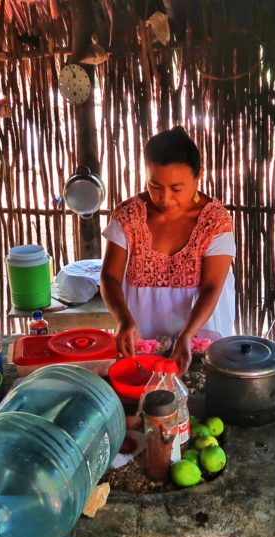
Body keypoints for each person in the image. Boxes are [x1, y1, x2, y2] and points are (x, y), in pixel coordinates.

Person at [100, 126, 236, 373]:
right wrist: (123, 318)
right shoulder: (128, 216)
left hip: (198, 330)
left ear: (199, 176)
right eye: (155, 185)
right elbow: (109, 277)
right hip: (143, 331)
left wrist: (187, 335)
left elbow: (211, 287)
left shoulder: (215, 221)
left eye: (176, 188)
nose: (165, 198)